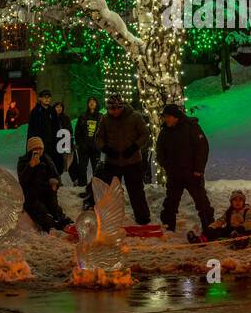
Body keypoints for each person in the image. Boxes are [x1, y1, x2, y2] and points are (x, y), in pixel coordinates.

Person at [155, 103, 214, 234]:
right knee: (170, 202)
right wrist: (167, 166)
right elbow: (160, 151)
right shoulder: (164, 132)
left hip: (192, 174)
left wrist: (198, 169)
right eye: (164, 117)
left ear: (175, 117)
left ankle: (209, 226)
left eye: (167, 117)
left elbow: (202, 149)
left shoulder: (191, 128)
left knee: (201, 202)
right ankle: (168, 227)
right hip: (174, 174)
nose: (165, 119)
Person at [95, 95, 151, 225]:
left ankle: (142, 216)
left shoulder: (135, 117)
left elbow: (145, 134)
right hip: (112, 162)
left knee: (136, 190)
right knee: (110, 192)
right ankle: (109, 216)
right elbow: (99, 137)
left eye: (116, 109)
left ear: (121, 107)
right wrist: (106, 149)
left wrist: (135, 147)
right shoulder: (105, 119)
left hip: (132, 161)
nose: (114, 112)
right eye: (111, 110)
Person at [17, 137, 74, 233]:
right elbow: (23, 181)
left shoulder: (47, 160)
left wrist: (55, 183)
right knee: (42, 212)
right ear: (30, 150)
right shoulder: (24, 162)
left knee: (55, 209)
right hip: (31, 195)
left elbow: (56, 176)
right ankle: (51, 227)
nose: (38, 151)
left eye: (40, 149)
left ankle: (65, 223)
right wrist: (30, 166)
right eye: (35, 149)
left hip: (47, 192)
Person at [71, 97, 103, 189]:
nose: (92, 103)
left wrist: (99, 145)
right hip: (84, 148)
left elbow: (103, 133)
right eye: (90, 102)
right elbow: (77, 132)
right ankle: (82, 187)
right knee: (82, 168)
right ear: (88, 104)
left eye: (94, 102)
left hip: (95, 148)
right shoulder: (83, 116)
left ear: (97, 104)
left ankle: (96, 188)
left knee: (96, 169)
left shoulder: (100, 117)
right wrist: (80, 144)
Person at [26, 90, 61, 171]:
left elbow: (56, 126)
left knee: (52, 162)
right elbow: (31, 128)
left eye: (49, 97)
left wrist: (57, 139)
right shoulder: (35, 112)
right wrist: (33, 142)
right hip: (39, 142)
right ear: (40, 99)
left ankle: (53, 179)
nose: (47, 99)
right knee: (40, 163)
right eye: (45, 97)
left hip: (51, 142)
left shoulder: (52, 111)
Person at [52, 100, 73, 177]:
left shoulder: (66, 118)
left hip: (64, 143)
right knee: (55, 162)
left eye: (60, 107)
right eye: (57, 107)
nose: (59, 108)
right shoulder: (51, 118)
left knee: (64, 162)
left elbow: (70, 131)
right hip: (54, 143)